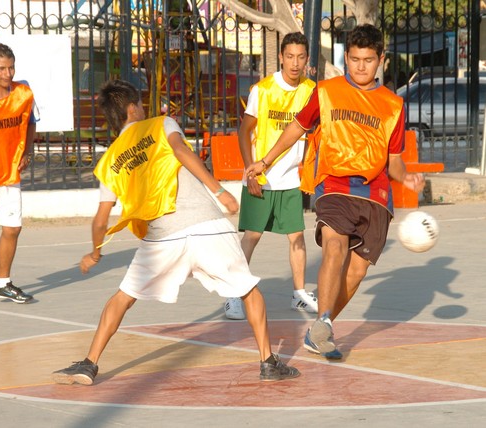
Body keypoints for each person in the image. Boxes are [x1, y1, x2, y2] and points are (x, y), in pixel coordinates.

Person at [51, 79, 300, 385]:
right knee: (248, 290)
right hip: (206, 225)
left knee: (122, 298)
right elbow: (181, 151)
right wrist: (220, 191)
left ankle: (89, 363)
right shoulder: (161, 123)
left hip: (162, 237)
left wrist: (95, 251)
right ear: (132, 108)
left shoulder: (110, 159)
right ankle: (267, 362)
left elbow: (101, 217)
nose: (143, 107)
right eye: (140, 103)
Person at [245, 24, 425, 359]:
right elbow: (297, 127)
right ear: (346, 58)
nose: (360, 66)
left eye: (368, 60)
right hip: (333, 184)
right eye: (354, 59)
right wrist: (265, 161)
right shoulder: (325, 92)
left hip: (375, 195)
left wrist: (406, 178)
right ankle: (325, 319)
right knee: (334, 246)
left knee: (356, 271)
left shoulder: (393, 105)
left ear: (380, 60)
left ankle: (318, 330)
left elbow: (394, 160)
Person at [224, 32, 318, 320]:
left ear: (307, 60)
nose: (295, 63)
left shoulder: (312, 90)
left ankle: (300, 294)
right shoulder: (262, 90)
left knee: (297, 238)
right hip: (261, 176)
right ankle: (233, 294)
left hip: (290, 177)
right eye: (290, 56)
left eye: (301, 57)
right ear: (280, 57)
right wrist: (250, 170)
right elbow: (244, 131)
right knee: (252, 236)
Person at [0, 43, 38, 304]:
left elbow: (30, 124)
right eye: (1, 68)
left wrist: (27, 151)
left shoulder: (24, 94)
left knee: (12, 228)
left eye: (11, 67)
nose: (7, 74)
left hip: (9, 175)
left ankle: (2, 283)